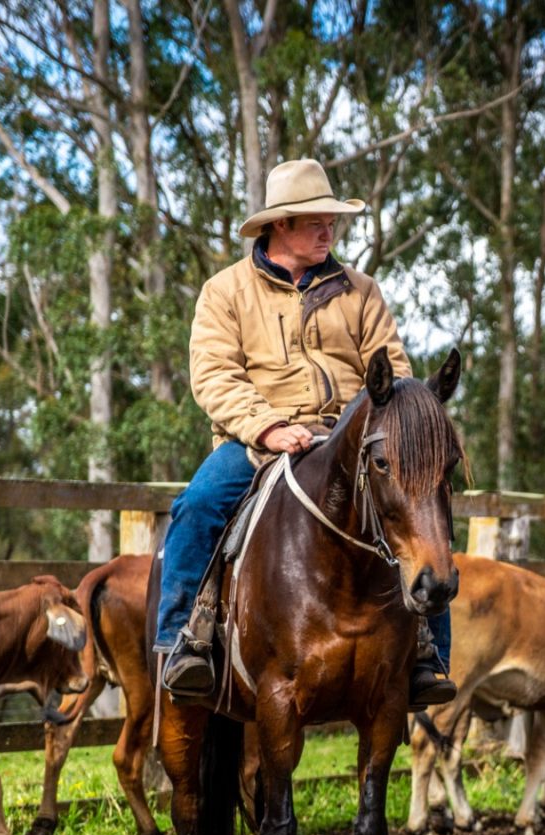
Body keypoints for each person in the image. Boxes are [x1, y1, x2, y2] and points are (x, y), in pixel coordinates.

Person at [156, 158, 455, 707]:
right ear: (280, 226)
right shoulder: (225, 292)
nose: (328, 231)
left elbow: (394, 370)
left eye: (332, 221)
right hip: (254, 443)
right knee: (197, 506)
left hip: (351, 441)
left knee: (420, 503)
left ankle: (428, 656)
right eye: (316, 221)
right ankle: (183, 642)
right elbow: (214, 376)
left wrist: (400, 428)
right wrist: (267, 427)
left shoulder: (361, 291)